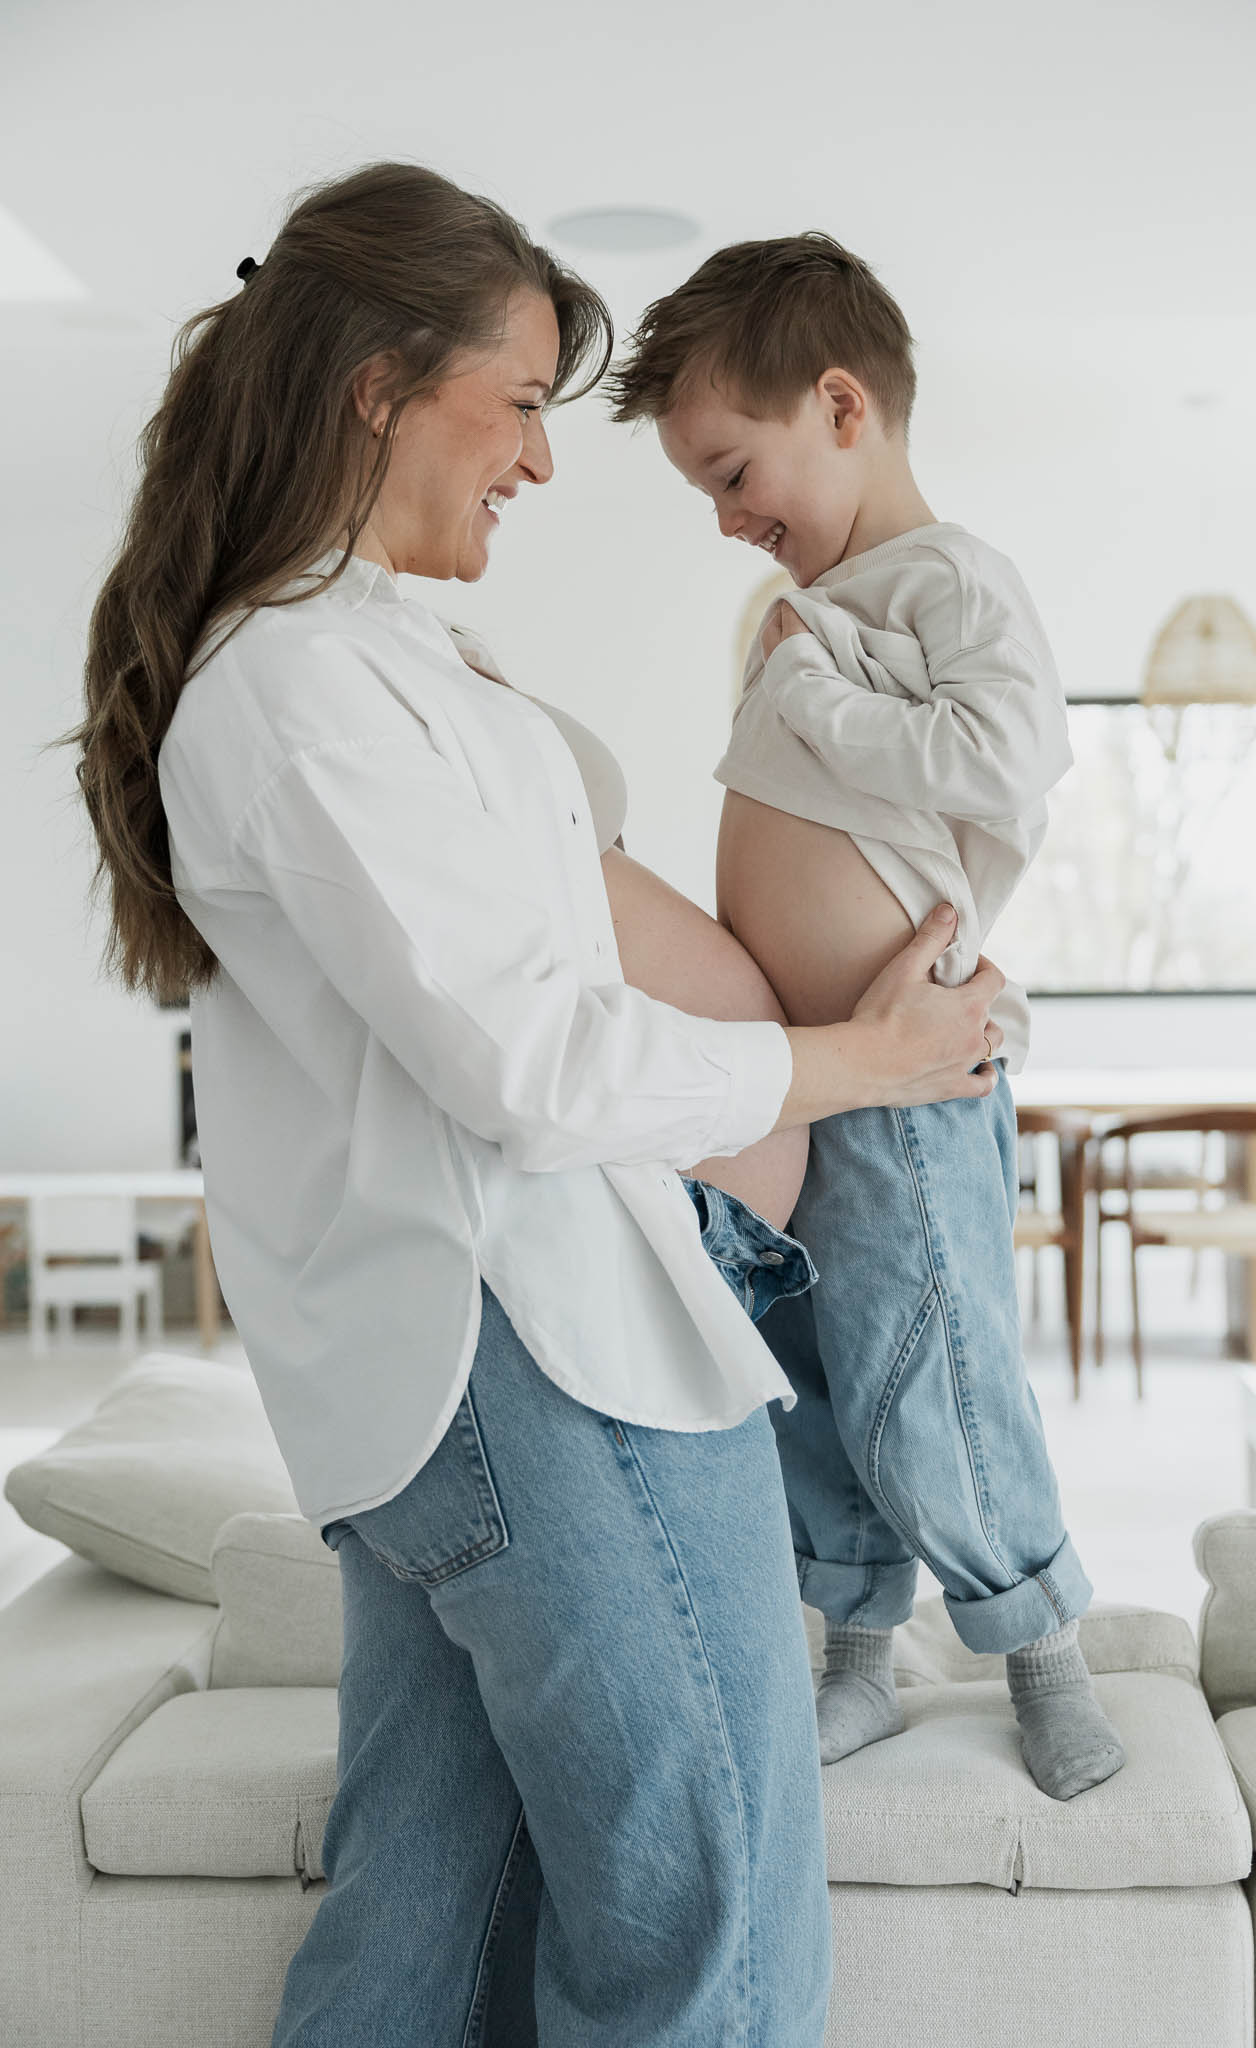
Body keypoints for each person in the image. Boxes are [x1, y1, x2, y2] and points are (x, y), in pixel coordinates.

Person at [63, 165, 1005, 2045]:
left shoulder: (370, 648)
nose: (539, 465)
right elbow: (534, 1057)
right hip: (538, 1354)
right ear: (377, 387)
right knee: (709, 1921)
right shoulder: (304, 683)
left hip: (501, 1354)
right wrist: (858, 1063)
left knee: (433, 1911)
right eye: (515, 407)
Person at [606, 231, 1127, 1801]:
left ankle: (1036, 1636)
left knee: (933, 1362)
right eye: (703, 490)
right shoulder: (825, 603)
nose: (725, 517)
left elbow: (1001, 763)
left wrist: (807, 686)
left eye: (732, 468)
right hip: (806, 1083)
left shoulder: (946, 579)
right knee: (812, 1366)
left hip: (904, 1081)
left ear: (842, 406)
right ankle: (855, 1657)